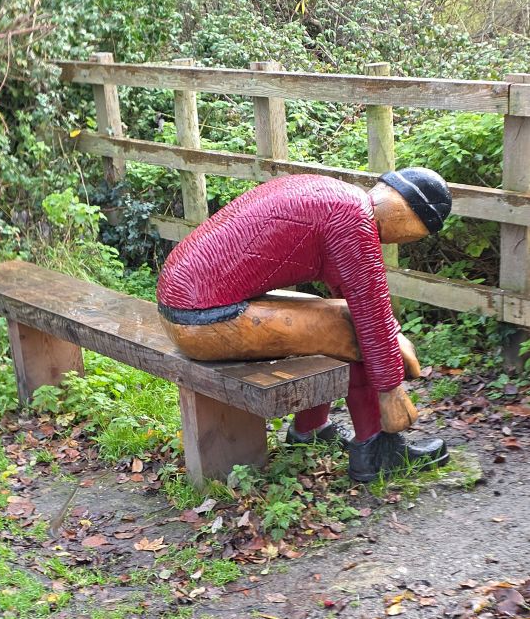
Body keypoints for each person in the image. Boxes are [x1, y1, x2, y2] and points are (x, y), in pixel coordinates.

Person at [156, 168, 452, 482]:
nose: (400, 241)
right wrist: (391, 390)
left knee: (332, 323)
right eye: (413, 235)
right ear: (410, 218)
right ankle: (377, 449)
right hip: (202, 319)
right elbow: (367, 314)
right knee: (348, 331)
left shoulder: (339, 196)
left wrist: (389, 335)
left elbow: (354, 299)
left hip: (183, 306)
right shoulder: (355, 220)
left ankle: (311, 428)